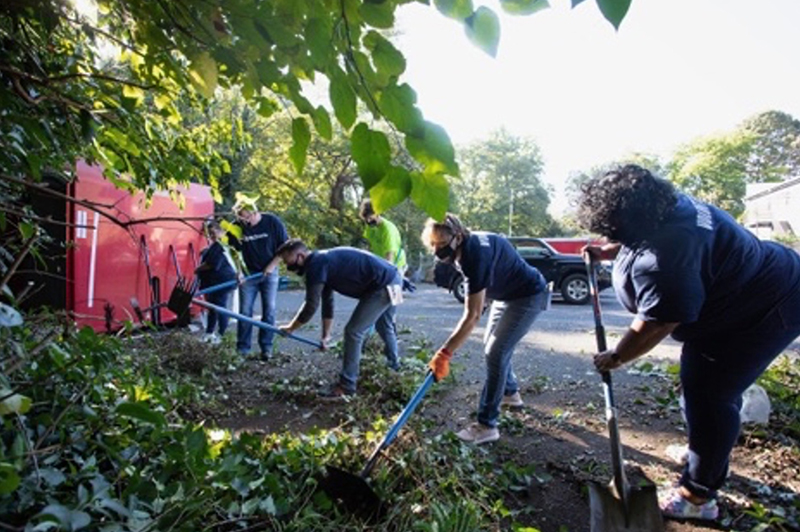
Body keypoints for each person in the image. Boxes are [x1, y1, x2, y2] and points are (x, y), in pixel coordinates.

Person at [577, 164, 800, 521]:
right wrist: (613, 250)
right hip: (744, 293)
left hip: (764, 310)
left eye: (612, 230)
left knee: (710, 396)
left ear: (633, 221)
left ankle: (698, 496)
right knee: (695, 386)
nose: (606, 234)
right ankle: (704, 453)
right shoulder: (668, 205)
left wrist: (617, 356)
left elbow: (657, 322)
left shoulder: (665, 260)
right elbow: (655, 243)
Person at [423, 214, 549, 444]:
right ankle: (510, 393)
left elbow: (472, 316)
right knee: (492, 346)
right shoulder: (465, 250)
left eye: (441, 244)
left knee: (496, 351)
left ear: (458, 237)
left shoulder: (474, 255)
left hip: (528, 295)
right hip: (504, 295)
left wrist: (444, 353)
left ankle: (487, 425)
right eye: (433, 244)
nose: (436, 250)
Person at [268, 239, 403, 398]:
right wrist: (326, 336)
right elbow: (327, 302)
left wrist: (291, 327)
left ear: (301, 256)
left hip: (382, 285)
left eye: (287, 260)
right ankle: (395, 369)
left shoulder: (316, 265)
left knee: (353, 332)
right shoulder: (323, 261)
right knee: (384, 326)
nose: (287, 266)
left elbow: (310, 305)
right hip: (393, 279)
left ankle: (347, 385)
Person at [228, 201, 288, 360]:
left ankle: (266, 348)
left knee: (269, 309)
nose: (245, 222)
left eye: (247, 218)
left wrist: (271, 266)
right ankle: (242, 349)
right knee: (245, 311)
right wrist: (238, 271)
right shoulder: (236, 227)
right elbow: (233, 252)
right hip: (248, 275)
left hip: (270, 272)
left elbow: (285, 247)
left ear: (254, 212)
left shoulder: (272, 222)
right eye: (241, 219)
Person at [195, 219, 238, 344]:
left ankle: (221, 334)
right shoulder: (215, 246)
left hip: (222, 281)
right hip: (214, 281)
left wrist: (198, 269)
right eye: (210, 234)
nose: (212, 236)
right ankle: (210, 332)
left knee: (219, 307)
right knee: (213, 307)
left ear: (221, 231)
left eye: (214, 233)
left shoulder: (220, 245)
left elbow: (213, 264)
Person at [359, 199, 408, 276]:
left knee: (389, 285)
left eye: (371, 218)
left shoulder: (387, 230)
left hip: (395, 264)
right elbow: (368, 246)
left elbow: (389, 257)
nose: (368, 221)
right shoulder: (370, 227)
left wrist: (386, 275)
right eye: (366, 219)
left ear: (378, 213)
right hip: (380, 261)